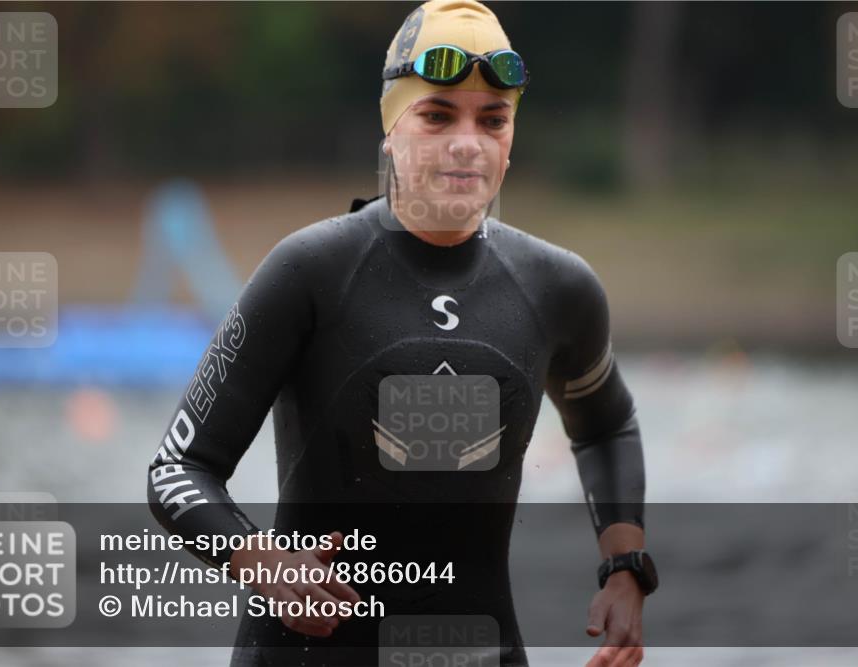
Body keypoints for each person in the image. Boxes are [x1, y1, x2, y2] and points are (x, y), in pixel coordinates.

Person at [147, 1, 655, 665]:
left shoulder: (559, 287)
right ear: (391, 128)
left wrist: (624, 568)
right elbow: (178, 471)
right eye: (437, 114)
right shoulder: (310, 271)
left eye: (492, 119)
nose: (467, 141)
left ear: (510, 137)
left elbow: (606, 424)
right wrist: (261, 560)